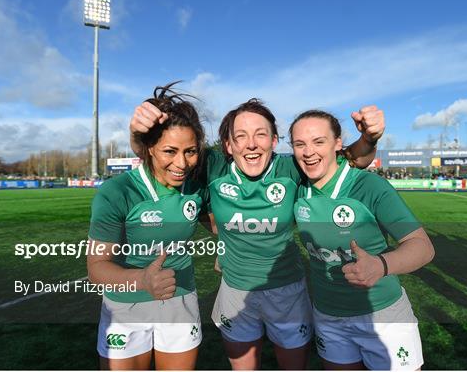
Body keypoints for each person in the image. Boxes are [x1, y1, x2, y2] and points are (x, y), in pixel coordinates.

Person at [130, 93, 384, 370]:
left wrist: (369, 139)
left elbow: (353, 159)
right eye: (240, 136)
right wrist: (137, 132)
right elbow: (164, 148)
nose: (251, 144)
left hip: (288, 291)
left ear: (274, 140)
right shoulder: (215, 168)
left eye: (260, 134)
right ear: (228, 145)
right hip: (235, 291)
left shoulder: (290, 167)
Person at [290, 110, 434, 370]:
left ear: (337, 144)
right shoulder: (298, 187)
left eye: (318, 141)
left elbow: (422, 246)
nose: (308, 151)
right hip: (328, 316)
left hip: (384, 316)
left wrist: (381, 265)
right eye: (300, 144)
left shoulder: (369, 187)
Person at [88, 84, 208, 370]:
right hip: (125, 305)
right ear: (149, 148)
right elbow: (96, 267)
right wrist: (143, 280)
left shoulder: (195, 186)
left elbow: (218, 224)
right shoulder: (117, 191)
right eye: (170, 151)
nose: (181, 163)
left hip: (180, 299)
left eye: (190, 151)